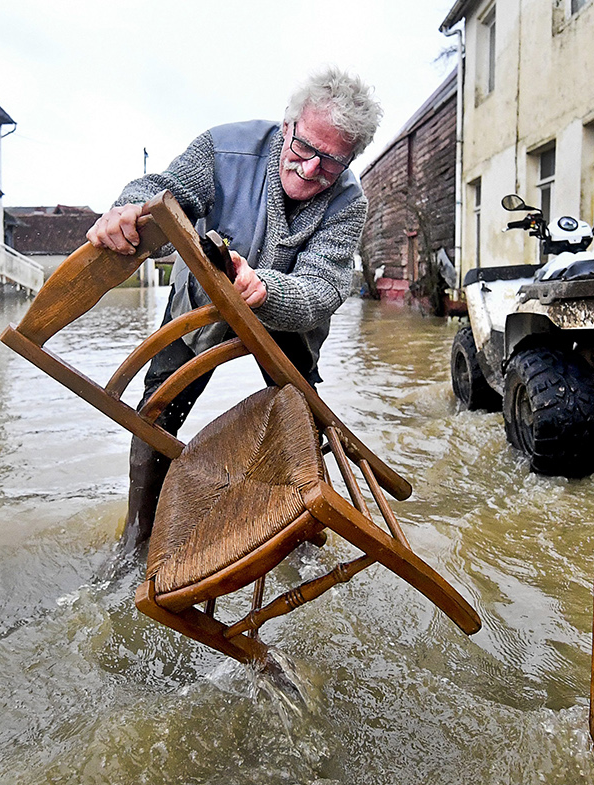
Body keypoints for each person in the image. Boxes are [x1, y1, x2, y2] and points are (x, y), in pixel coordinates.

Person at [87, 68, 381, 551]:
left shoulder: (349, 201)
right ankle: (136, 542)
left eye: (330, 163)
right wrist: (127, 208)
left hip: (288, 315)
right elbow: (162, 191)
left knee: (301, 418)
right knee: (157, 413)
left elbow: (324, 287)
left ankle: (304, 531)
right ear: (287, 126)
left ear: (349, 160)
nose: (310, 170)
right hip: (201, 300)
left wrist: (262, 289)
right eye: (304, 148)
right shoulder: (223, 148)